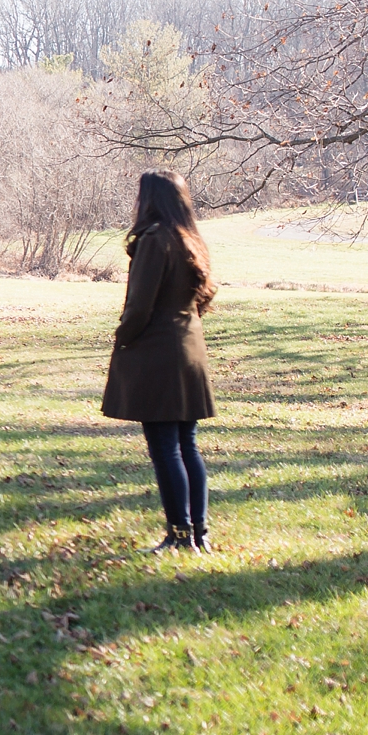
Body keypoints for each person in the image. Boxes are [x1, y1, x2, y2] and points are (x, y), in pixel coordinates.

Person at [101, 169, 218, 550]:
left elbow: (139, 307)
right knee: (187, 444)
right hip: (188, 348)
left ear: (150, 199)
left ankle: (181, 535)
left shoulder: (155, 241)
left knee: (167, 447)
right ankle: (197, 533)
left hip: (160, 353)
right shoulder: (190, 240)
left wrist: (123, 338)